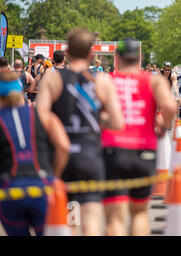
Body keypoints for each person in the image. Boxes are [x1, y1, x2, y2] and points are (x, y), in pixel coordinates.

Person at [36, 28, 124, 236]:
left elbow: (39, 117)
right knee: (91, 220)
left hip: (59, 155)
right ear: (91, 54)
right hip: (90, 156)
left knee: (60, 219)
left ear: (66, 51)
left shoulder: (53, 78)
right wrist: (97, 119)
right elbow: (118, 122)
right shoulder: (101, 81)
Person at [101, 38, 176, 236]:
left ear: (117, 58)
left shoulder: (107, 80)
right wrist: (162, 127)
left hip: (113, 150)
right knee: (140, 213)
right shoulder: (153, 80)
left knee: (115, 218)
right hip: (144, 151)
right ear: (140, 58)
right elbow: (170, 107)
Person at [0, 71, 70, 236]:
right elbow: (64, 146)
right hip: (43, 185)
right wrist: (55, 176)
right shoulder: (43, 115)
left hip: (9, 190)